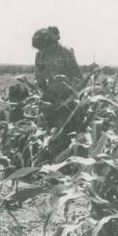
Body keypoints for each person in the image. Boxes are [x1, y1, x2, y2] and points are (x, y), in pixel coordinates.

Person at [32, 26, 84, 157]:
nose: (43, 51)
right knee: (50, 136)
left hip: (69, 100)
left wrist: (70, 97)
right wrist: (46, 97)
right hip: (51, 101)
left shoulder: (65, 52)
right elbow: (40, 81)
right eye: (40, 49)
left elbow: (78, 78)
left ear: (52, 43)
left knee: (68, 135)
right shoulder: (40, 55)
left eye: (45, 48)